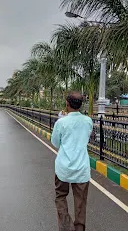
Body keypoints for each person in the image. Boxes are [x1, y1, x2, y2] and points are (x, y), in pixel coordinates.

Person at [51, 92, 93, 231]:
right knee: (80, 202)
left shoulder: (61, 122)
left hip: (63, 167)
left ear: (67, 104)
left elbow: (56, 143)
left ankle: (66, 227)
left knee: (61, 196)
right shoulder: (88, 121)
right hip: (82, 168)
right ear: (80, 105)